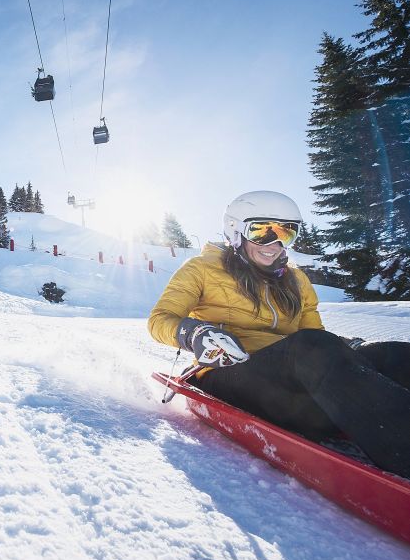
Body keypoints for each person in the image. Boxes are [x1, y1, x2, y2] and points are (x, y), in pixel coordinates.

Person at [148, 190, 410, 479]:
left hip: (289, 385)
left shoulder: (296, 280)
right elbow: (161, 320)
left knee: (392, 353)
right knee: (310, 347)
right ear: (236, 231)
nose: (273, 243)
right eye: (261, 232)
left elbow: (316, 338)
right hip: (229, 371)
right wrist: (195, 333)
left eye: (285, 233)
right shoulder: (202, 269)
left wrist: (351, 350)